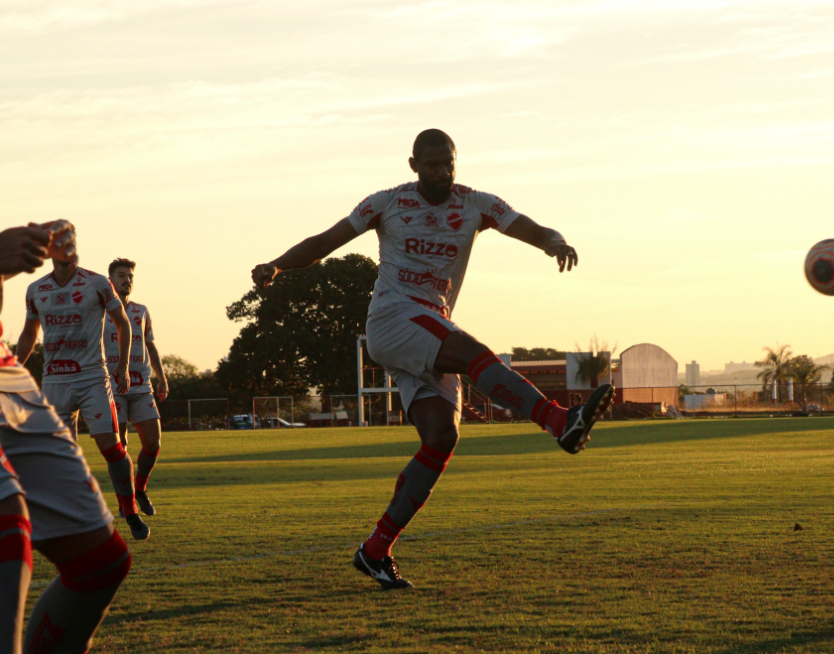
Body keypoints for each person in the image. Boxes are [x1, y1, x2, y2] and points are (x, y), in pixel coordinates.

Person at [252, 129, 615, 590]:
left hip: (429, 325)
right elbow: (325, 241)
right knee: (472, 352)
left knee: (442, 437)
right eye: (432, 165)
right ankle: (560, 422)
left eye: (449, 163)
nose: (442, 172)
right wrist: (277, 265)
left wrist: (554, 242)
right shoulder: (386, 203)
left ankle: (375, 550)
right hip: (393, 317)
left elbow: (530, 226)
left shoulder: (475, 203)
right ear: (413, 165)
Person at [0, 221, 132, 654]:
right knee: (7, 519)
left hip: (7, 374)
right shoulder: (39, 291)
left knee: (100, 561)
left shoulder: (94, 284)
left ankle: (132, 506)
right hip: (45, 378)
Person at [17, 250, 151, 540]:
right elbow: (29, 334)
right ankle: (72, 518)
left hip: (93, 378)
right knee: (61, 456)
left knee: (111, 447)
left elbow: (122, 323)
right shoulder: (36, 289)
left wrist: (122, 366)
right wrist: (11, 370)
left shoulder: (97, 283)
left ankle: (129, 511)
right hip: (55, 382)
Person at [105, 258, 168, 516]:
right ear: (110, 280)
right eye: (121, 275)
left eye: (130, 276)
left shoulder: (141, 311)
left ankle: (140, 489)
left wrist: (161, 376)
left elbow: (150, 345)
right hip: (112, 388)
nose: (127, 280)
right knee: (120, 450)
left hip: (142, 386)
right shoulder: (99, 311)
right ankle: (125, 503)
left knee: (153, 444)